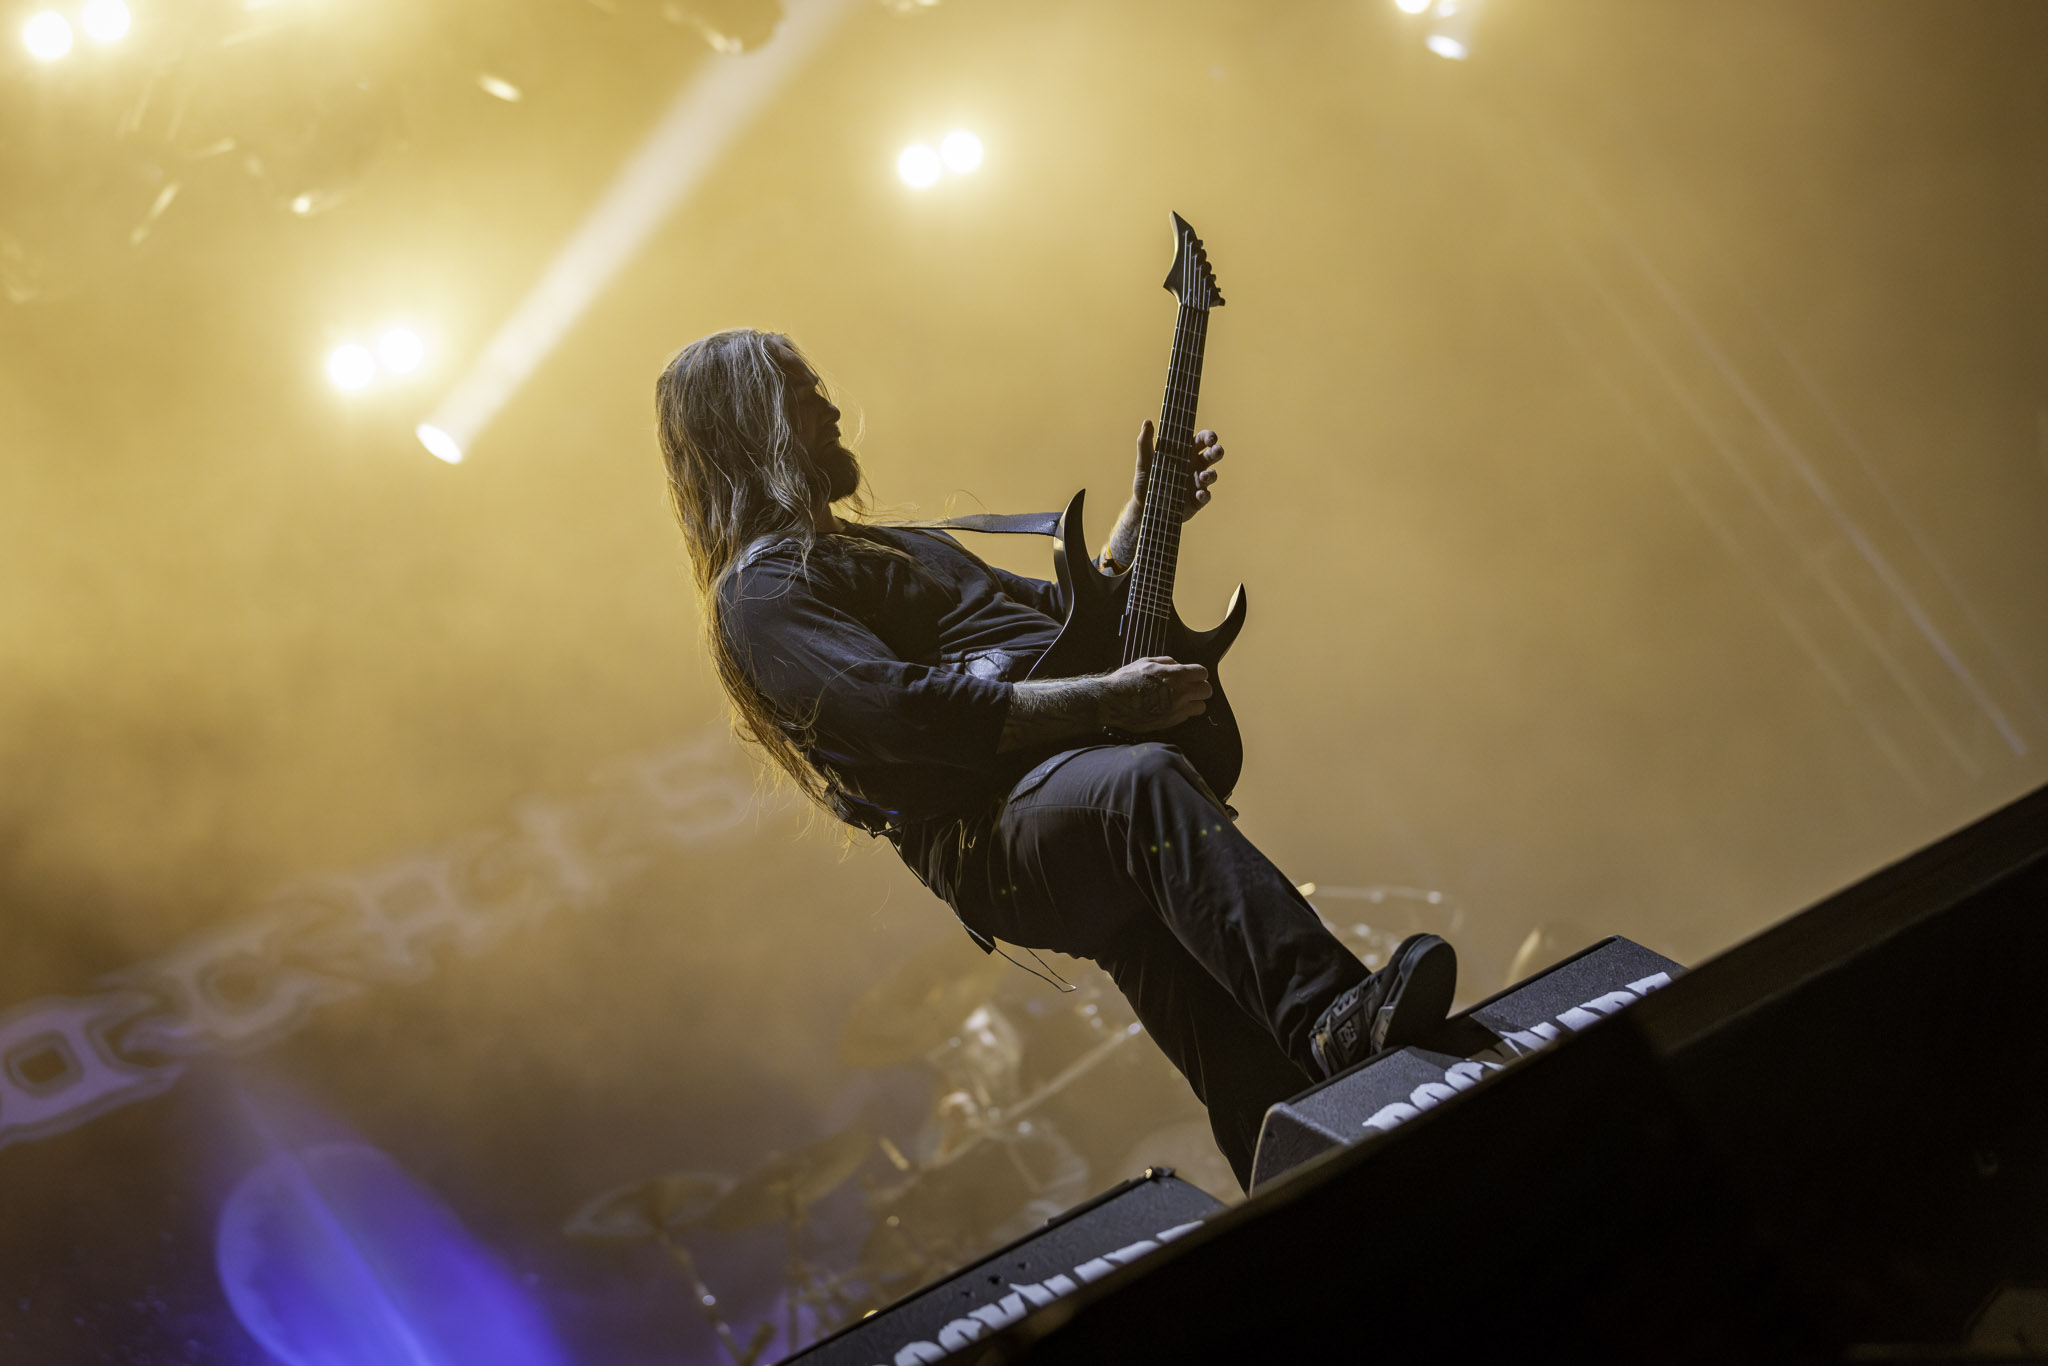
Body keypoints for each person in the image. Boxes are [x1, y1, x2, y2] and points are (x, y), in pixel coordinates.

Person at [654, 327, 1457, 1187]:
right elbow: (903, 714)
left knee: (1189, 985)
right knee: (1140, 785)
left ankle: (1296, 1174)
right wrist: (1109, 703)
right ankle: (1331, 1014)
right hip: (991, 838)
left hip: (1072, 797)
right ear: (747, 425)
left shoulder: (904, 547)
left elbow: (1071, 623)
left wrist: (1144, 520)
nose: (830, 404)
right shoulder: (763, 594)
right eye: (799, 390)